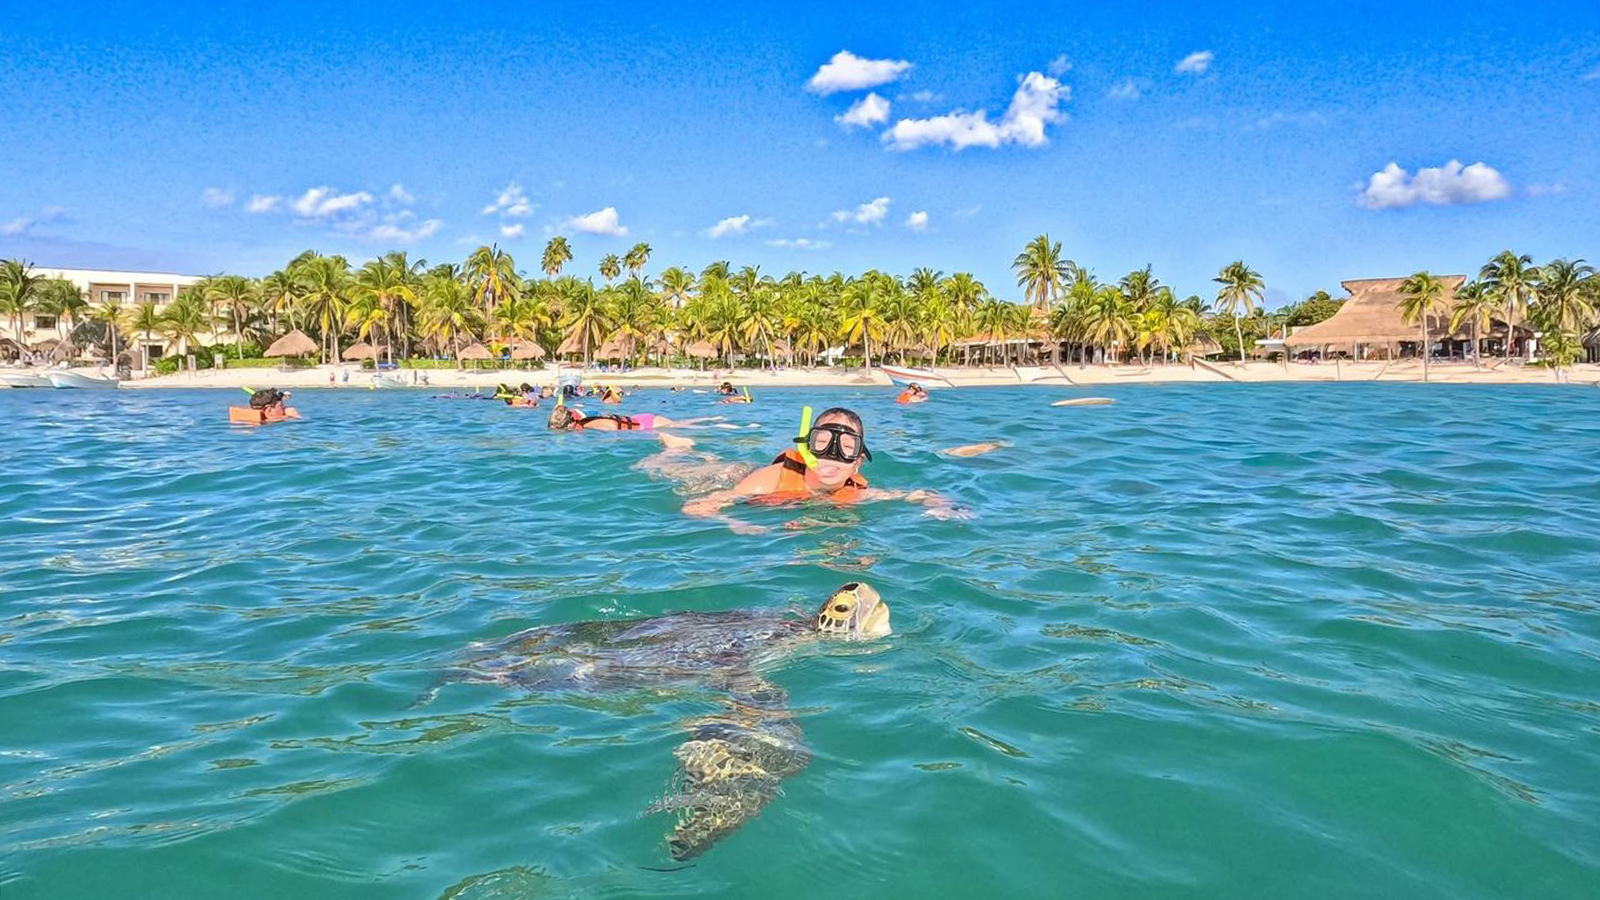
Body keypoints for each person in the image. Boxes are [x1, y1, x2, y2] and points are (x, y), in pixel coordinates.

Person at [658, 406, 962, 532]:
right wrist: (736, 522)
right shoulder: (770, 480)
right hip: (737, 476)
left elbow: (921, 493)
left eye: (845, 449)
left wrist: (941, 504)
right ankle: (681, 451)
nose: (831, 457)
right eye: (823, 443)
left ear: (857, 462)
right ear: (806, 447)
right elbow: (696, 507)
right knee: (677, 469)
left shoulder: (855, 492)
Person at [547, 404, 742, 432]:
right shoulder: (587, 422)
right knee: (683, 424)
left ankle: (717, 423)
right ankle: (715, 419)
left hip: (646, 425)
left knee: (688, 428)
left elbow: (612, 428)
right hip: (642, 420)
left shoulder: (590, 424)